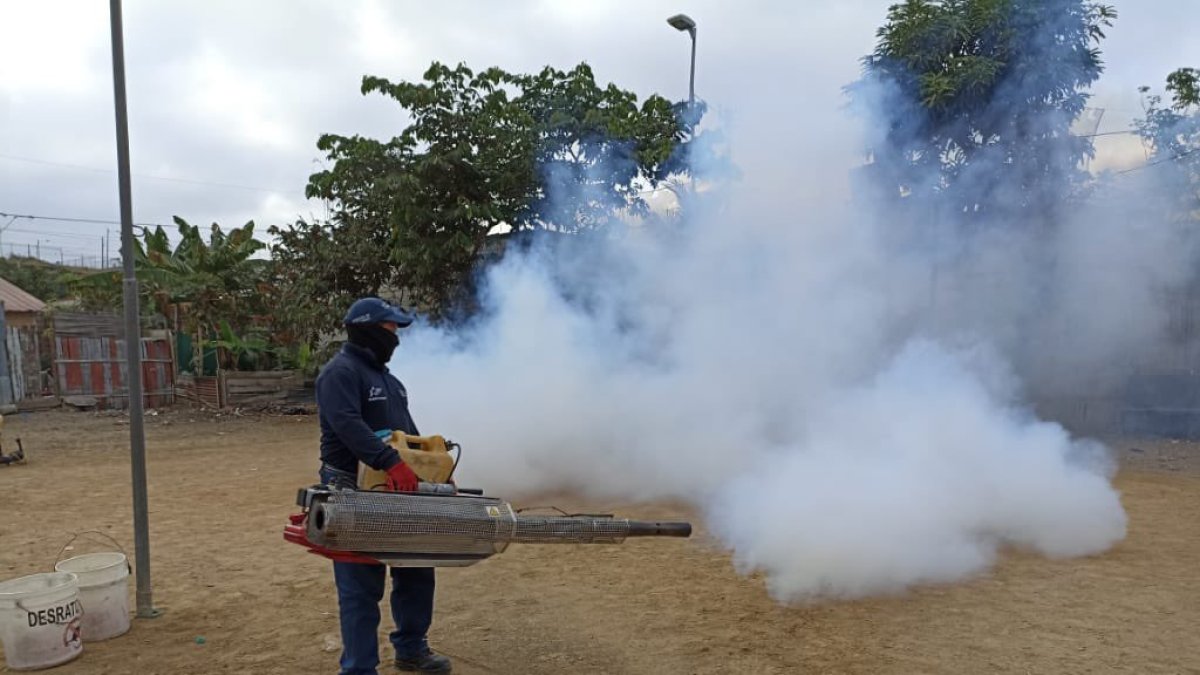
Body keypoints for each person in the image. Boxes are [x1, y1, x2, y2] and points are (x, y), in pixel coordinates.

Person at [315, 297, 452, 675]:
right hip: (351, 489)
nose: (395, 338)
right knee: (361, 582)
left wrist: (435, 470)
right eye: (391, 329)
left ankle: (411, 649)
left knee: (416, 569)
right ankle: (359, 668)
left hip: (398, 489)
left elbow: (409, 436)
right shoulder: (339, 373)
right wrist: (389, 462)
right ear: (367, 329)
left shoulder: (391, 383)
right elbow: (346, 424)